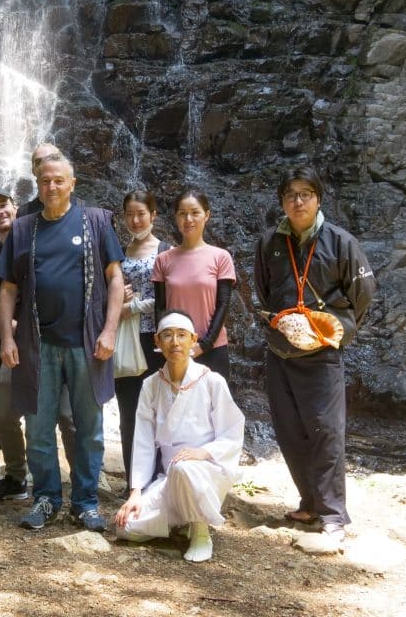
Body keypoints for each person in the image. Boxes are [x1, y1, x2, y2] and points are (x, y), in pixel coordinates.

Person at [0, 155, 125, 531]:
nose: (50, 187)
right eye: (44, 181)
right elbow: (7, 289)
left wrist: (110, 329)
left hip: (87, 344)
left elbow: (115, 278)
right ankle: (47, 499)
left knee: (89, 427)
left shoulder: (97, 221)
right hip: (38, 345)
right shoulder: (23, 228)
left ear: (72, 183)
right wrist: (6, 336)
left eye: (58, 181)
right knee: (38, 428)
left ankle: (85, 502)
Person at [255, 166, 375, 550]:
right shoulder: (270, 242)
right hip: (281, 351)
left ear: (318, 198)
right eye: (290, 194)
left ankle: (333, 514)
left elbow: (363, 295)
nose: (298, 201)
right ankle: (309, 502)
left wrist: (334, 334)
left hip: (322, 354)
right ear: (282, 201)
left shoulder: (340, 242)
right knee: (290, 430)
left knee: (326, 432)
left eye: (306, 193)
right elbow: (264, 290)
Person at [114, 311, 245, 563]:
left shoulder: (212, 381)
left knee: (185, 468)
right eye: (168, 335)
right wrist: (136, 492)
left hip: (205, 472)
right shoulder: (152, 384)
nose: (175, 342)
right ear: (157, 341)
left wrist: (203, 453)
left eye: (182, 335)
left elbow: (232, 431)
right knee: (125, 526)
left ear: (193, 339)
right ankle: (182, 518)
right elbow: (142, 439)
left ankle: (200, 530)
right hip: (171, 476)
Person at [0, 188, 76, 503]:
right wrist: (19, 331)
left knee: (67, 416)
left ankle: (81, 482)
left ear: (14, 207)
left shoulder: (43, 239)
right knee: (3, 411)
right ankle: (17, 477)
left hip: (59, 341)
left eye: (2, 205)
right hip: (18, 346)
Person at [115, 190, 171, 490]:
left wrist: (130, 306)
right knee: (129, 411)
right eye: (130, 215)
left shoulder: (166, 251)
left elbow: (168, 298)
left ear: (153, 215)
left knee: (159, 411)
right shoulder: (118, 251)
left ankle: (160, 481)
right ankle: (133, 482)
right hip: (126, 338)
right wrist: (115, 299)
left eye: (141, 214)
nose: (135, 220)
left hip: (156, 340)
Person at [153, 189, 236, 381]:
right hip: (175, 349)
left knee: (214, 409)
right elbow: (160, 307)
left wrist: (204, 345)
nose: (188, 219)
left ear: (206, 215)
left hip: (212, 348)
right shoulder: (163, 260)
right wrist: (166, 344)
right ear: (176, 217)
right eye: (182, 213)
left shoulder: (220, 257)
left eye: (195, 212)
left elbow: (223, 305)